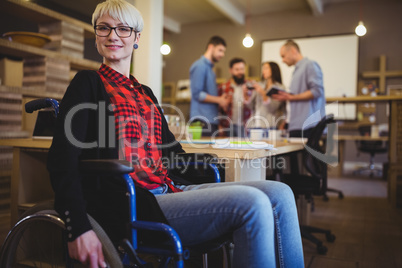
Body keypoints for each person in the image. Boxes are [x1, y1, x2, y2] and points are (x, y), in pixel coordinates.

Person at [47, 1, 304, 267]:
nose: (113, 35)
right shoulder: (87, 84)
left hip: (170, 188)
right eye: (105, 28)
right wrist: (76, 227)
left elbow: (173, 153)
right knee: (252, 204)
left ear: (136, 38)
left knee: (280, 193)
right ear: (96, 34)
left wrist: (214, 159)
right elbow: (62, 160)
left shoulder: (144, 92)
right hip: (134, 202)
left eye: (123, 29)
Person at [272, 39, 326, 138]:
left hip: (308, 126)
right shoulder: (297, 70)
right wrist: (287, 120)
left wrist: (291, 97)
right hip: (296, 125)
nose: (282, 60)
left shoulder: (309, 65)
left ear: (293, 50)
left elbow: (317, 91)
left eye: (283, 56)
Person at [189, 36, 230, 137]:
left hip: (210, 121)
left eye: (223, 52)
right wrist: (219, 100)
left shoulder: (210, 70)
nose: (222, 54)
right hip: (201, 121)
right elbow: (197, 94)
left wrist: (221, 100)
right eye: (220, 50)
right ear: (211, 47)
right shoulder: (200, 66)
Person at [244, 61, 286, 131]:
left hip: (269, 125)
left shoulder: (279, 87)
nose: (263, 71)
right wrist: (245, 94)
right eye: (263, 68)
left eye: (266, 68)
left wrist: (263, 93)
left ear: (273, 70)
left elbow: (273, 107)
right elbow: (251, 107)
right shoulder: (259, 85)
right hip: (254, 125)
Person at [218, 58, 251, 137]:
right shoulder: (224, 87)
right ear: (231, 70)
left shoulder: (250, 86)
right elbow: (218, 109)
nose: (240, 72)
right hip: (229, 125)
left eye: (242, 69)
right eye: (237, 69)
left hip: (246, 125)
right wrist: (219, 125)